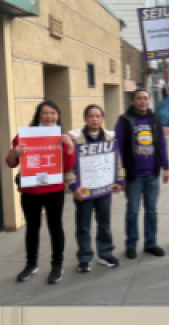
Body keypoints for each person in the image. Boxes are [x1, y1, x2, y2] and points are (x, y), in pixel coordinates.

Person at [6, 101, 75, 283]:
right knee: (32, 228)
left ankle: (57, 266)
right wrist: (15, 152)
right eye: (46, 113)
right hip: (30, 190)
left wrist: (70, 148)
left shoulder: (63, 137)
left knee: (55, 227)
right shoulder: (23, 136)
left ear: (58, 116)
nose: (50, 116)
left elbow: (68, 166)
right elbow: (11, 162)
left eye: (53, 112)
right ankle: (31, 264)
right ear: (38, 116)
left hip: (54, 190)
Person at [66, 104, 124, 271]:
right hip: (84, 190)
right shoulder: (76, 139)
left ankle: (105, 254)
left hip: (104, 189)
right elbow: (69, 166)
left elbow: (117, 161)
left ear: (102, 119)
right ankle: (84, 258)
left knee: (104, 223)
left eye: (98, 116)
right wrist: (74, 185)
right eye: (91, 116)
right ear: (85, 118)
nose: (95, 119)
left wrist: (119, 180)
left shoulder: (110, 138)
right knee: (83, 225)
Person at [115, 88, 169, 259]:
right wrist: (120, 175)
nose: (143, 101)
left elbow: (161, 145)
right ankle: (131, 244)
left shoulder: (155, 119)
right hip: (133, 176)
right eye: (139, 98)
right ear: (133, 101)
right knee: (132, 211)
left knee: (151, 210)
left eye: (146, 98)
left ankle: (150, 243)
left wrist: (165, 167)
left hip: (152, 174)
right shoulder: (124, 121)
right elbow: (118, 149)